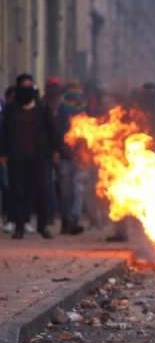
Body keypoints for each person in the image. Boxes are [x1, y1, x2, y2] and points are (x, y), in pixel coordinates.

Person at [1, 74, 58, 239]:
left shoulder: (42, 108)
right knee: (18, 192)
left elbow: (52, 131)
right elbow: (4, 132)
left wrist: (56, 150)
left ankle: (42, 226)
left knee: (42, 191)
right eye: (24, 86)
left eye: (29, 86)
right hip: (17, 158)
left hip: (39, 157)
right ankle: (19, 227)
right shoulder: (11, 109)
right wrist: (3, 153)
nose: (27, 90)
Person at [55, 83, 87, 235]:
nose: (76, 95)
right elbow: (57, 132)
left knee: (78, 190)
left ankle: (74, 219)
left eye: (77, 92)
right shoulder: (61, 110)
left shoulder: (84, 111)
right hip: (65, 156)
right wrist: (57, 150)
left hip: (80, 157)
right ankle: (66, 221)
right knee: (66, 191)